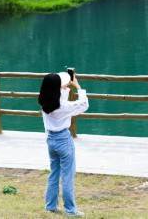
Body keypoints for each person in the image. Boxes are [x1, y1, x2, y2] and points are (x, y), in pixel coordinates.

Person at [38, 71, 89, 217]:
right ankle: (71, 210)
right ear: (57, 89)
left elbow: (58, 96)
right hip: (63, 140)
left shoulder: (44, 101)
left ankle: (50, 206)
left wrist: (65, 87)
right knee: (67, 176)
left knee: (54, 173)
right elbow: (84, 105)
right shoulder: (63, 106)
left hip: (50, 140)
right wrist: (78, 86)